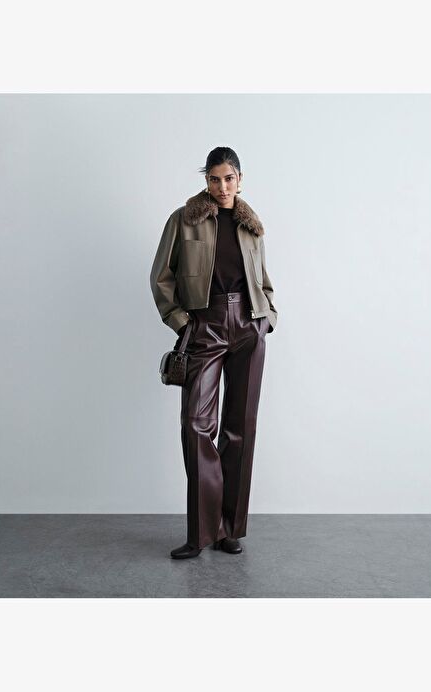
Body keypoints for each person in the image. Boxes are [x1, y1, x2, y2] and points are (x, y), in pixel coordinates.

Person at [150, 146, 278, 559]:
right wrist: (182, 322)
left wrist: (267, 318)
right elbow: (161, 277)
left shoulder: (251, 226)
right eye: (214, 179)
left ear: (240, 179)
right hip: (204, 325)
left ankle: (228, 529)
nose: (222, 187)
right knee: (196, 425)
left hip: (248, 326)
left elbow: (262, 280)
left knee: (240, 427)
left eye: (228, 178)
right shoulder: (184, 220)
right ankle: (201, 532)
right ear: (206, 181)